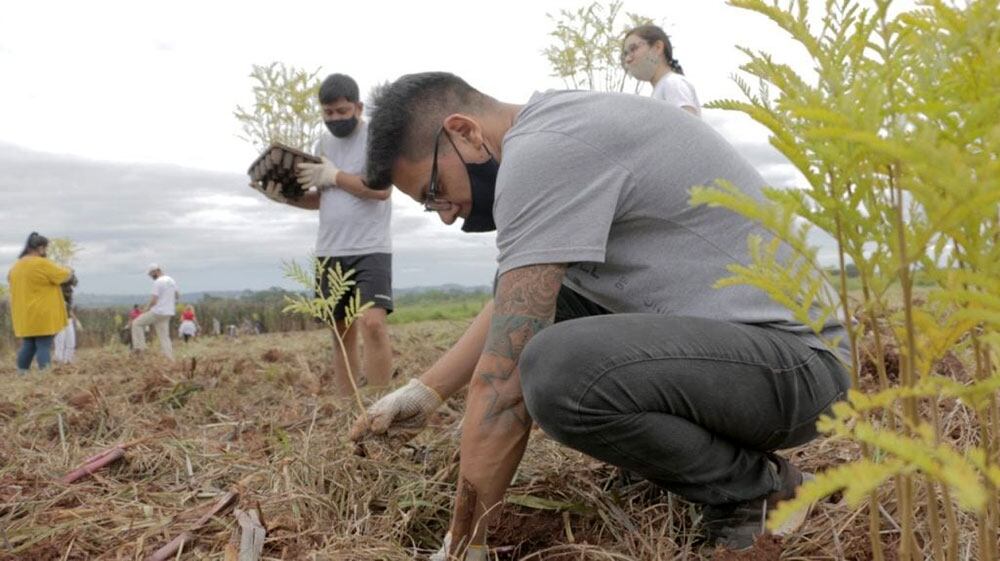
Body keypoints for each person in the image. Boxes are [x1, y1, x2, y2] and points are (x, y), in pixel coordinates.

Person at [349, 73, 851, 555]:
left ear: (464, 132)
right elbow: (514, 302)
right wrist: (427, 391)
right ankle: (699, 462)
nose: (445, 213)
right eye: (427, 205)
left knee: (556, 368)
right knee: (540, 302)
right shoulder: (554, 129)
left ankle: (760, 490)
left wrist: (463, 547)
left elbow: (502, 380)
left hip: (801, 368)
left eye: (434, 189)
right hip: (749, 356)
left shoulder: (543, 153)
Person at [250, 73, 395, 398]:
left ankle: (380, 404)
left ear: (357, 107)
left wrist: (334, 174)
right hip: (330, 250)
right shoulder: (322, 144)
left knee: (373, 323)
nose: (335, 119)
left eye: (342, 111)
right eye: (328, 113)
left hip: (371, 247)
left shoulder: (375, 137)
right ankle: (347, 406)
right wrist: (284, 198)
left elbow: (380, 190)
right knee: (340, 332)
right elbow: (322, 199)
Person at [7, 232, 73, 373]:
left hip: (24, 315)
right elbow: (64, 276)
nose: (46, 251)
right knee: (43, 344)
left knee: (28, 344)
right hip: (41, 314)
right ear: (40, 248)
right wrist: (69, 270)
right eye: (45, 248)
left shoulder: (16, 266)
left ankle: (22, 372)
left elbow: (10, 280)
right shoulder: (42, 263)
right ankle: (45, 375)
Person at [622, 24, 702, 116]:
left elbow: (687, 126)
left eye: (633, 49)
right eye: (626, 54)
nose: (628, 59)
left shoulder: (672, 83)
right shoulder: (662, 88)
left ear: (658, 47)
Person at [131, 263, 178, 360]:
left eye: (151, 274)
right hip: (168, 312)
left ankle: (140, 349)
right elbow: (177, 295)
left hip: (158, 312)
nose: (151, 276)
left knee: (136, 323)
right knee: (164, 337)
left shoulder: (158, 282)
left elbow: (154, 300)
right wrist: (169, 303)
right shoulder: (171, 280)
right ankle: (170, 359)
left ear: (156, 271)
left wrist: (145, 310)